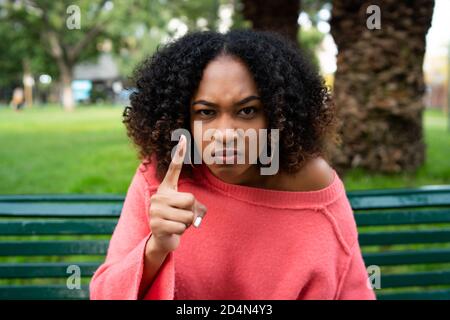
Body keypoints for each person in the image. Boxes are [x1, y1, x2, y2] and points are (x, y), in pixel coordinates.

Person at [89, 29, 376, 300]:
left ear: (277, 116)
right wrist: (156, 248)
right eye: (206, 112)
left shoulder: (314, 188)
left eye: (247, 111)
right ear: (182, 119)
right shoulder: (161, 179)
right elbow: (105, 293)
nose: (226, 134)